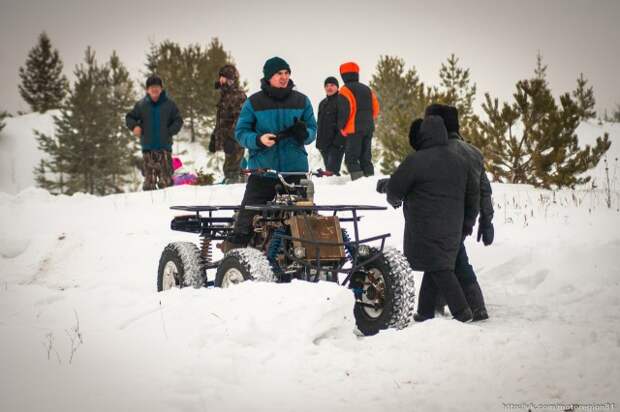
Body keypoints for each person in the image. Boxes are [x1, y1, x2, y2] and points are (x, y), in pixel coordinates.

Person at [376, 115, 479, 322]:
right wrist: (467, 224)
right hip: (453, 226)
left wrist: (392, 198)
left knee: (440, 268)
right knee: (437, 265)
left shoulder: (416, 160)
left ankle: (462, 312)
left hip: (425, 225)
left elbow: (396, 188)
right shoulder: (460, 161)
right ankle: (424, 313)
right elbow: (473, 196)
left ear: (423, 135)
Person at [223, 56, 317, 250]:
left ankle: (303, 257)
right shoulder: (254, 102)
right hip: (263, 172)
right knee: (246, 219)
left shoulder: (302, 100)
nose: (283, 77)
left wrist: (304, 134)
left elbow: (312, 131)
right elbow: (241, 133)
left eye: (286, 73)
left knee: (305, 221)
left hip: (295, 172)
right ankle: (233, 259)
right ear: (268, 77)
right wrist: (258, 140)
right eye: (278, 74)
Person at [424, 104, 494, 321]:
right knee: (446, 258)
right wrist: (486, 221)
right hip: (466, 217)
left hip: (443, 216)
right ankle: (434, 308)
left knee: (448, 261)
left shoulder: (437, 152)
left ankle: (473, 306)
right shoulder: (473, 152)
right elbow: (484, 189)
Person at [126, 75, 183, 190]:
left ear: (161, 88)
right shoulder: (141, 105)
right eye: (152, 87)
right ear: (147, 90)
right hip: (148, 150)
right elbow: (130, 117)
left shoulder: (169, 104)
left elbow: (178, 120)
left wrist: (170, 131)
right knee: (148, 186)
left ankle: (167, 204)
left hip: (164, 149)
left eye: (157, 87)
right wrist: (135, 126)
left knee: (165, 183)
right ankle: (150, 206)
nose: (154, 89)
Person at [337, 62, 380, 180]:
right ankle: (369, 181)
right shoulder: (367, 89)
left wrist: (341, 126)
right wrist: (368, 120)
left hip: (353, 129)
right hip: (369, 127)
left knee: (351, 159)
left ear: (343, 75)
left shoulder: (344, 90)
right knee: (366, 158)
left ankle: (358, 183)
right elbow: (376, 109)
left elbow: (345, 110)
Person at [208, 64, 247, 184]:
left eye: (224, 77)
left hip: (236, 141)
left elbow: (240, 119)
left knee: (233, 170)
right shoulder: (225, 95)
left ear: (230, 80)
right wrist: (215, 136)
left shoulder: (238, 95)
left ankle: (235, 186)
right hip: (227, 140)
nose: (221, 80)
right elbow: (222, 120)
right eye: (221, 77)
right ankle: (231, 182)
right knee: (230, 169)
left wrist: (231, 137)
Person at [316, 76, 345, 175]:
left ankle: (338, 189)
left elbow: (343, 123)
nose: (329, 87)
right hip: (324, 145)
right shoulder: (322, 104)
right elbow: (319, 124)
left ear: (337, 87)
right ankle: (335, 189)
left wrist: (338, 142)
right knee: (330, 172)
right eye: (327, 85)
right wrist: (319, 144)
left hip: (336, 144)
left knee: (332, 171)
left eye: (332, 85)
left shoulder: (341, 101)